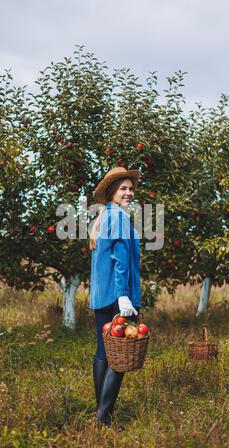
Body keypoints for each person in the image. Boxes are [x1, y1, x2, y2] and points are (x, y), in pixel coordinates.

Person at [88, 167, 142, 426]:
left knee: (103, 353)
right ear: (112, 192)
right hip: (118, 297)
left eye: (131, 188)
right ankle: (104, 418)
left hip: (101, 296)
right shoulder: (118, 218)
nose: (129, 193)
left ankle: (101, 414)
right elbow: (120, 261)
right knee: (120, 356)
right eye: (123, 188)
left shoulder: (103, 217)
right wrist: (123, 296)